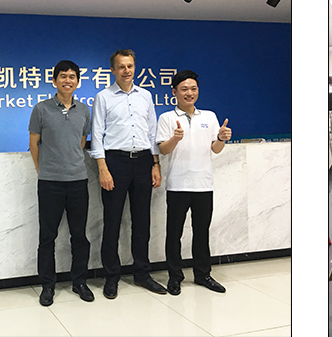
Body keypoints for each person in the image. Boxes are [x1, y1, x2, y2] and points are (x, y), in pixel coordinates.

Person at [91, 49, 167, 298]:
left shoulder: (145, 96)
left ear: (135, 68)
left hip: (143, 161)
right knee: (112, 221)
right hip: (115, 162)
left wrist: (155, 164)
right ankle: (111, 276)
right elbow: (97, 135)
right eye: (121, 66)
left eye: (130, 66)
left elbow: (152, 132)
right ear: (113, 70)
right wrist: (103, 168)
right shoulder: (103, 97)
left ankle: (142, 273)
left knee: (142, 221)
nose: (126, 70)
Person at [155, 70, 232, 295]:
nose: (189, 93)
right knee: (174, 234)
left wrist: (221, 138)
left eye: (193, 88)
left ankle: (203, 274)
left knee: (202, 232)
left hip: (203, 184)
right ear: (174, 92)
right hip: (178, 185)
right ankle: (175, 277)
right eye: (184, 89)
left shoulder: (209, 116)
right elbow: (163, 150)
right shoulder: (167, 118)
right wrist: (175, 138)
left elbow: (215, 149)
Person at [28, 60, 97, 306]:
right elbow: (33, 143)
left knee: (79, 235)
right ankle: (48, 285)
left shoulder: (84, 110)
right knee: (47, 236)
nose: (68, 80)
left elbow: (81, 142)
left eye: (72, 77)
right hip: (50, 183)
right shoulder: (41, 109)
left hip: (78, 181)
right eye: (63, 76)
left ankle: (80, 282)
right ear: (54, 80)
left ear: (77, 81)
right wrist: (43, 170)